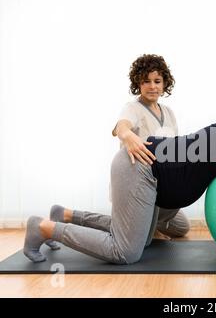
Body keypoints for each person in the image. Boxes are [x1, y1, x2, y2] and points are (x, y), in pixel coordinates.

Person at [23, 101, 216, 264]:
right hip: (142, 166)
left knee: (141, 239)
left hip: (152, 177)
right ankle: (45, 228)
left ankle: (67, 214)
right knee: (126, 251)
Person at [43, 54, 190, 251]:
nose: (152, 86)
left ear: (165, 83)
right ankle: (69, 216)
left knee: (181, 227)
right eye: (146, 81)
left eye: (157, 81)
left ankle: (143, 225)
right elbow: (122, 127)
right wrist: (127, 136)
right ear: (138, 83)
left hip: (159, 184)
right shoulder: (133, 108)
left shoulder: (168, 112)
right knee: (143, 239)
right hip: (139, 184)